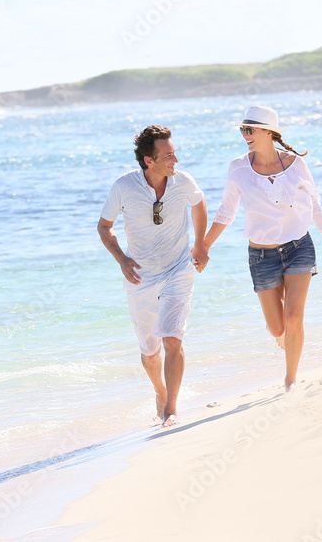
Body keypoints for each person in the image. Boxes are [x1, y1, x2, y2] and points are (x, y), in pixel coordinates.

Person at [204, 106, 322, 392]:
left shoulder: (296, 164)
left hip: (299, 247)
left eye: (250, 130)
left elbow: (315, 206)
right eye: (242, 130)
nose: (245, 135)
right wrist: (204, 247)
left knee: (294, 317)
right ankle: (285, 340)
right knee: (278, 328)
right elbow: (225, 212)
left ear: (268, 132)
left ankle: (290, 380)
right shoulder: (238, 168)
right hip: (261, 256)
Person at [98, 125, 209, 427]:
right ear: (150, 160)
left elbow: (199, 204)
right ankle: (160, 392)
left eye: (175, 154)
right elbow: (104, 227)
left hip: (178, 269)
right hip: (141, 277)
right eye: (169, 156)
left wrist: (200, 244)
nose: (175, 161)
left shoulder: (183, 181)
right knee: (150, 352)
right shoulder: (124, 187)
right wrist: (121, 259)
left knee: (173, 338)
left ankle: (171, 410)